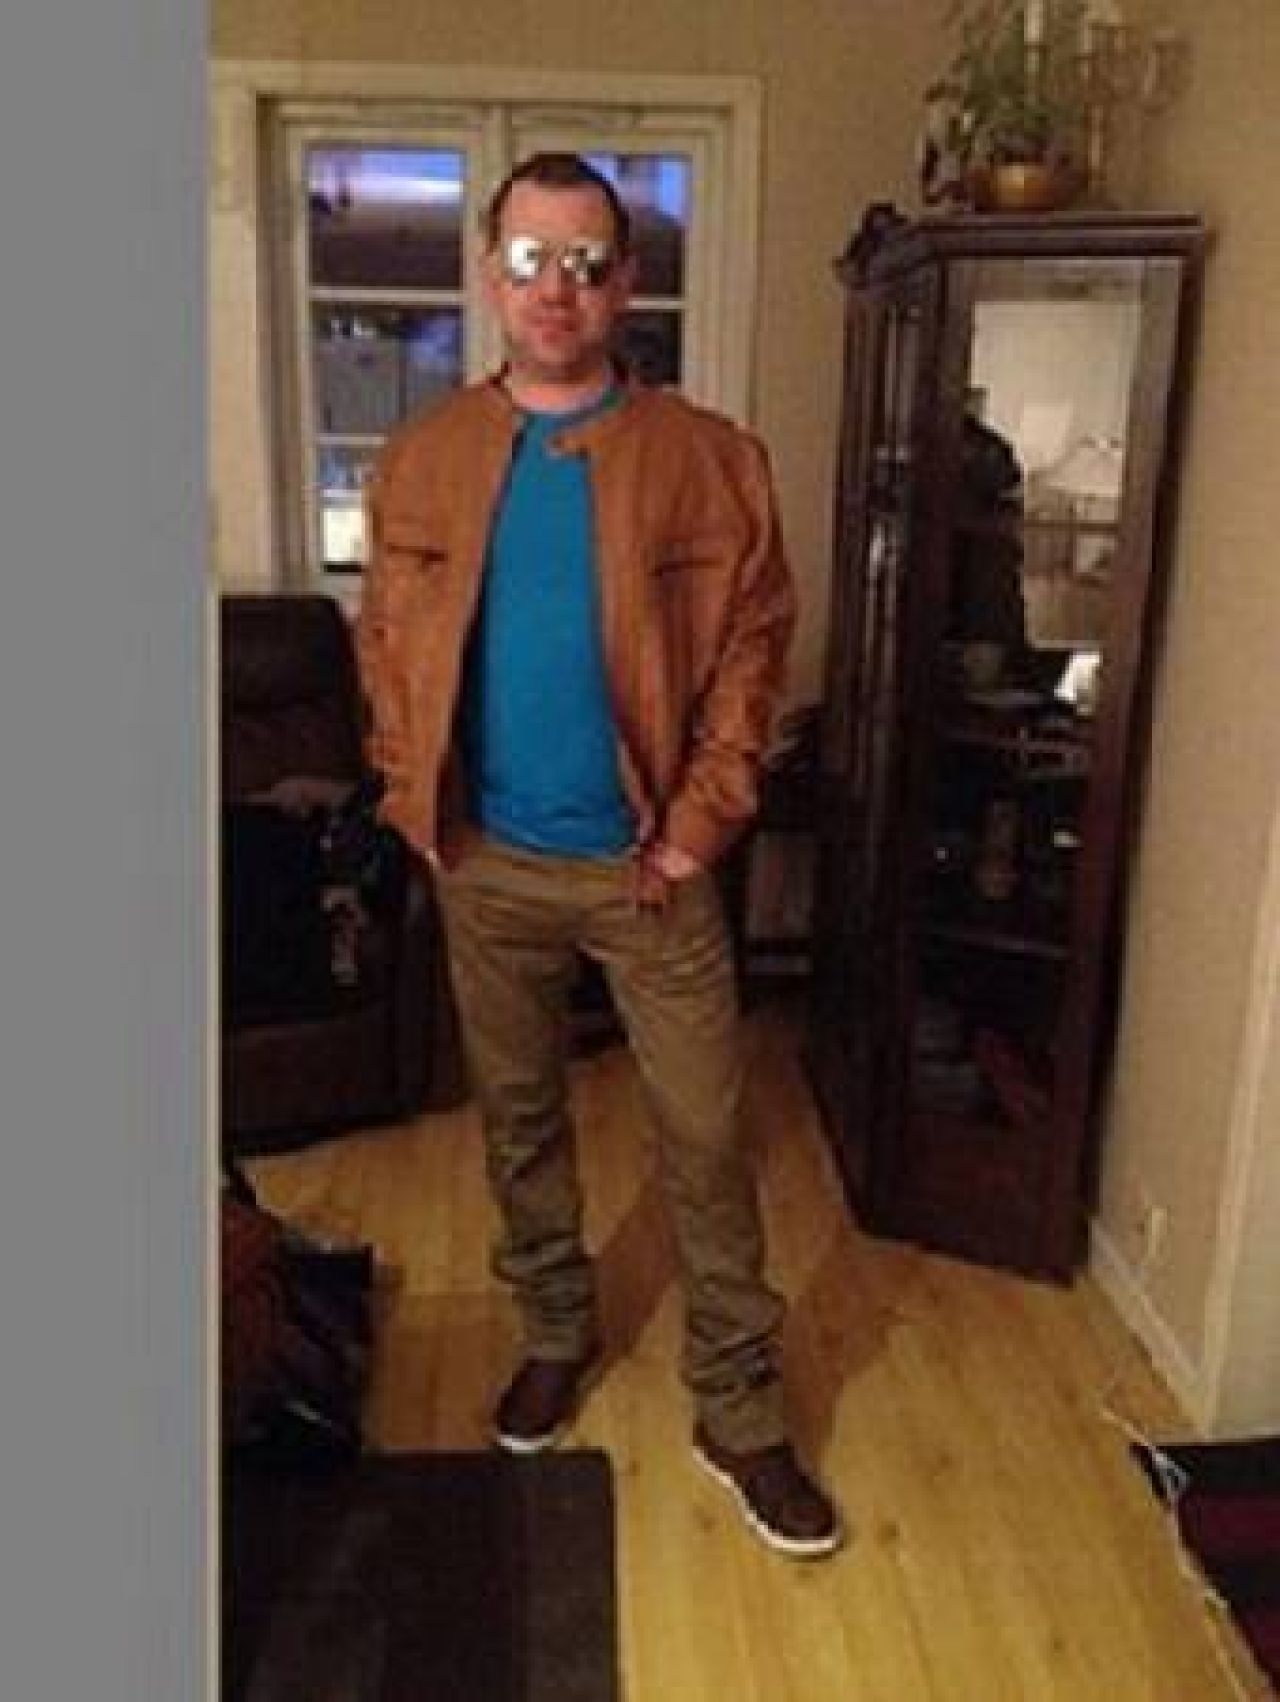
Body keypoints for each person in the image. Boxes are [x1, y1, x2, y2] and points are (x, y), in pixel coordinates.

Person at [355, 151, 841, 1560]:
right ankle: (557, 1332)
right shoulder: (423, 457)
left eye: (584, 261)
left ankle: (739, 1409)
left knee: (707, 1137)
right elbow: (385, 644)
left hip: (650, 870)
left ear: (624, 284)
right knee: (519, 1121)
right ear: (490, 275)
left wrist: (698, 825)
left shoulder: (709, 459)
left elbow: (754, 650)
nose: (555, 289)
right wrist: (412, 796)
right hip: (486, 865)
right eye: (529, 259)